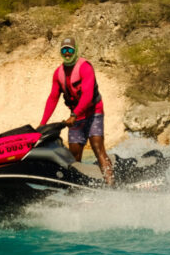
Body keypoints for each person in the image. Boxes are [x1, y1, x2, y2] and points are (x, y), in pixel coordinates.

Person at [38, 36, 114, 185]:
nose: (67, 53)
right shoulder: (58, 73)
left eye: (70, 50)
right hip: (77, 116)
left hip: (93, 112)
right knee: (74, 155)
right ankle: (77, 188)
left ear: (75, 50)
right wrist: (42, 124)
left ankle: (111, 185)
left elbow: (87, 95)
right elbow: (53, 98)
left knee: (97, 147)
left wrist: (74, 115)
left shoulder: (85, 67)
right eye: (64, 50)